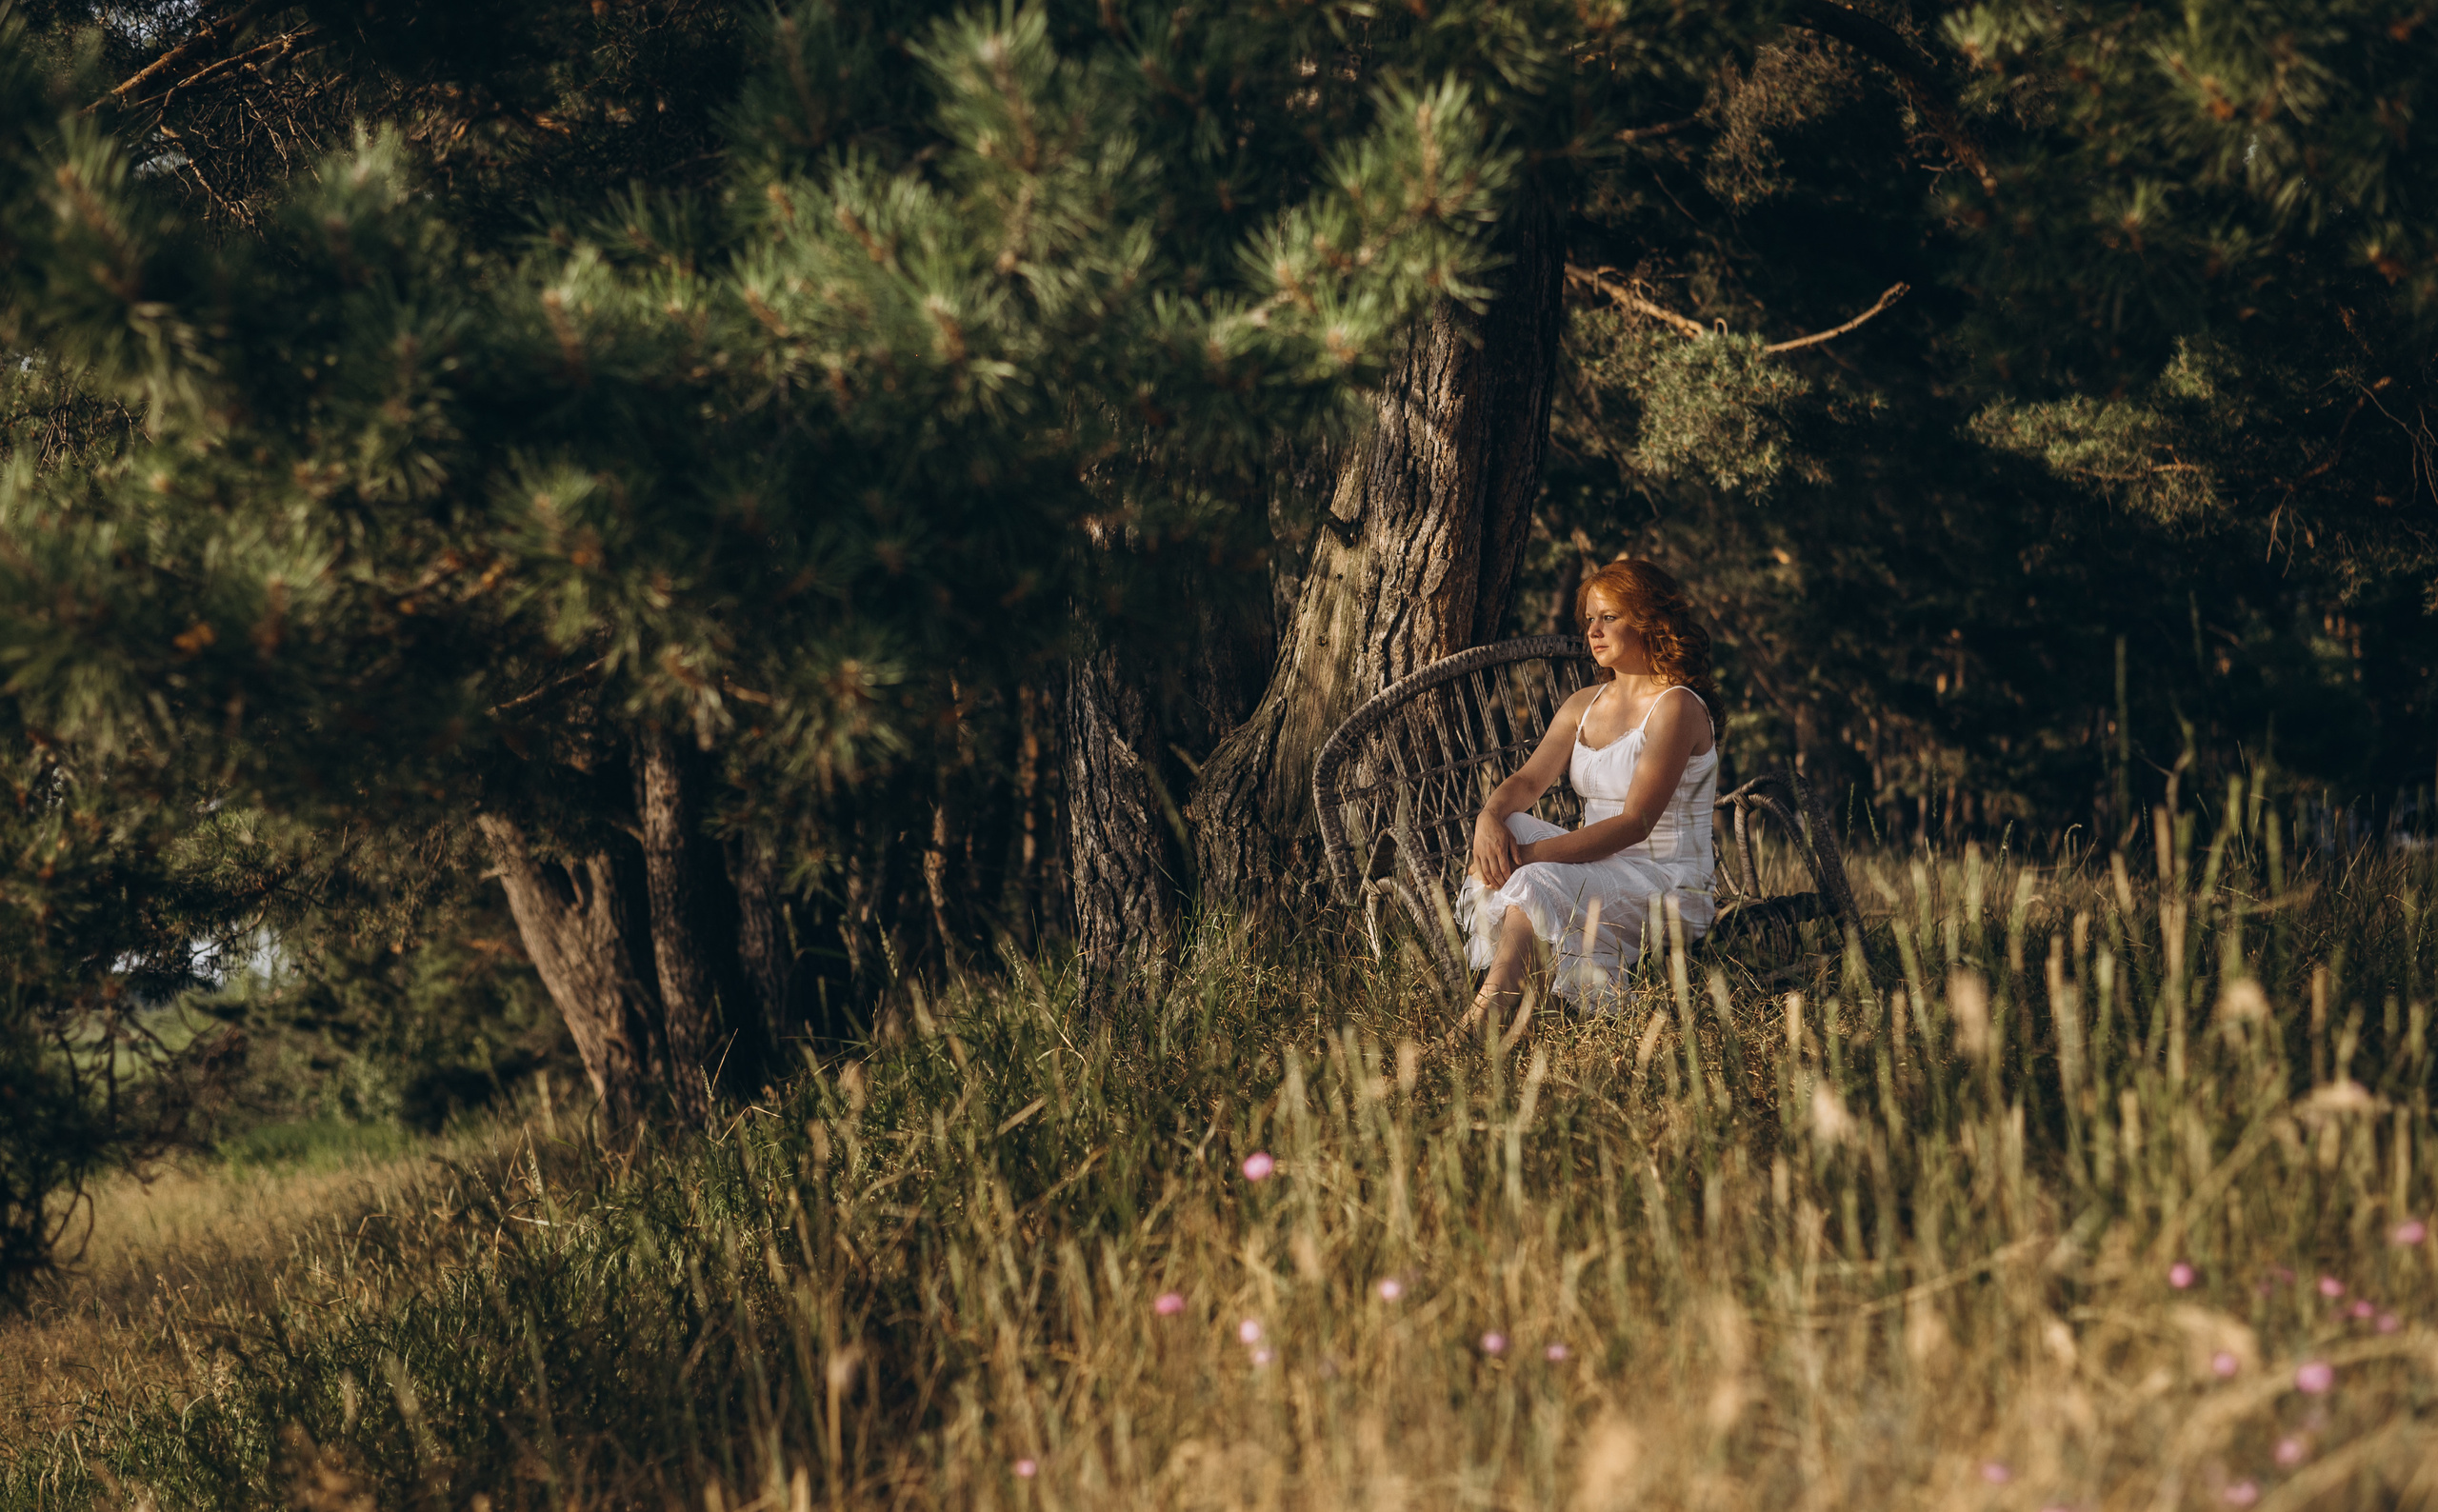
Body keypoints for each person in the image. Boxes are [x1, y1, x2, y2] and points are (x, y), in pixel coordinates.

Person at [1456, 557, 1722, 1037]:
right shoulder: (1584, 703)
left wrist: (1528, 857)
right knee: (1509, 825)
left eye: (1609, 617)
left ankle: (1483, 1020)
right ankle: (1524, 999)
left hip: (1669, 883)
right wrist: (1488, 816)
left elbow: (1635, 824)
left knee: (1532, 876)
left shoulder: (1677, 706)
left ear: (1649, 620)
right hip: (1599, 866)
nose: (1593, 631)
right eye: (1590, 619)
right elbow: (1527, 783)